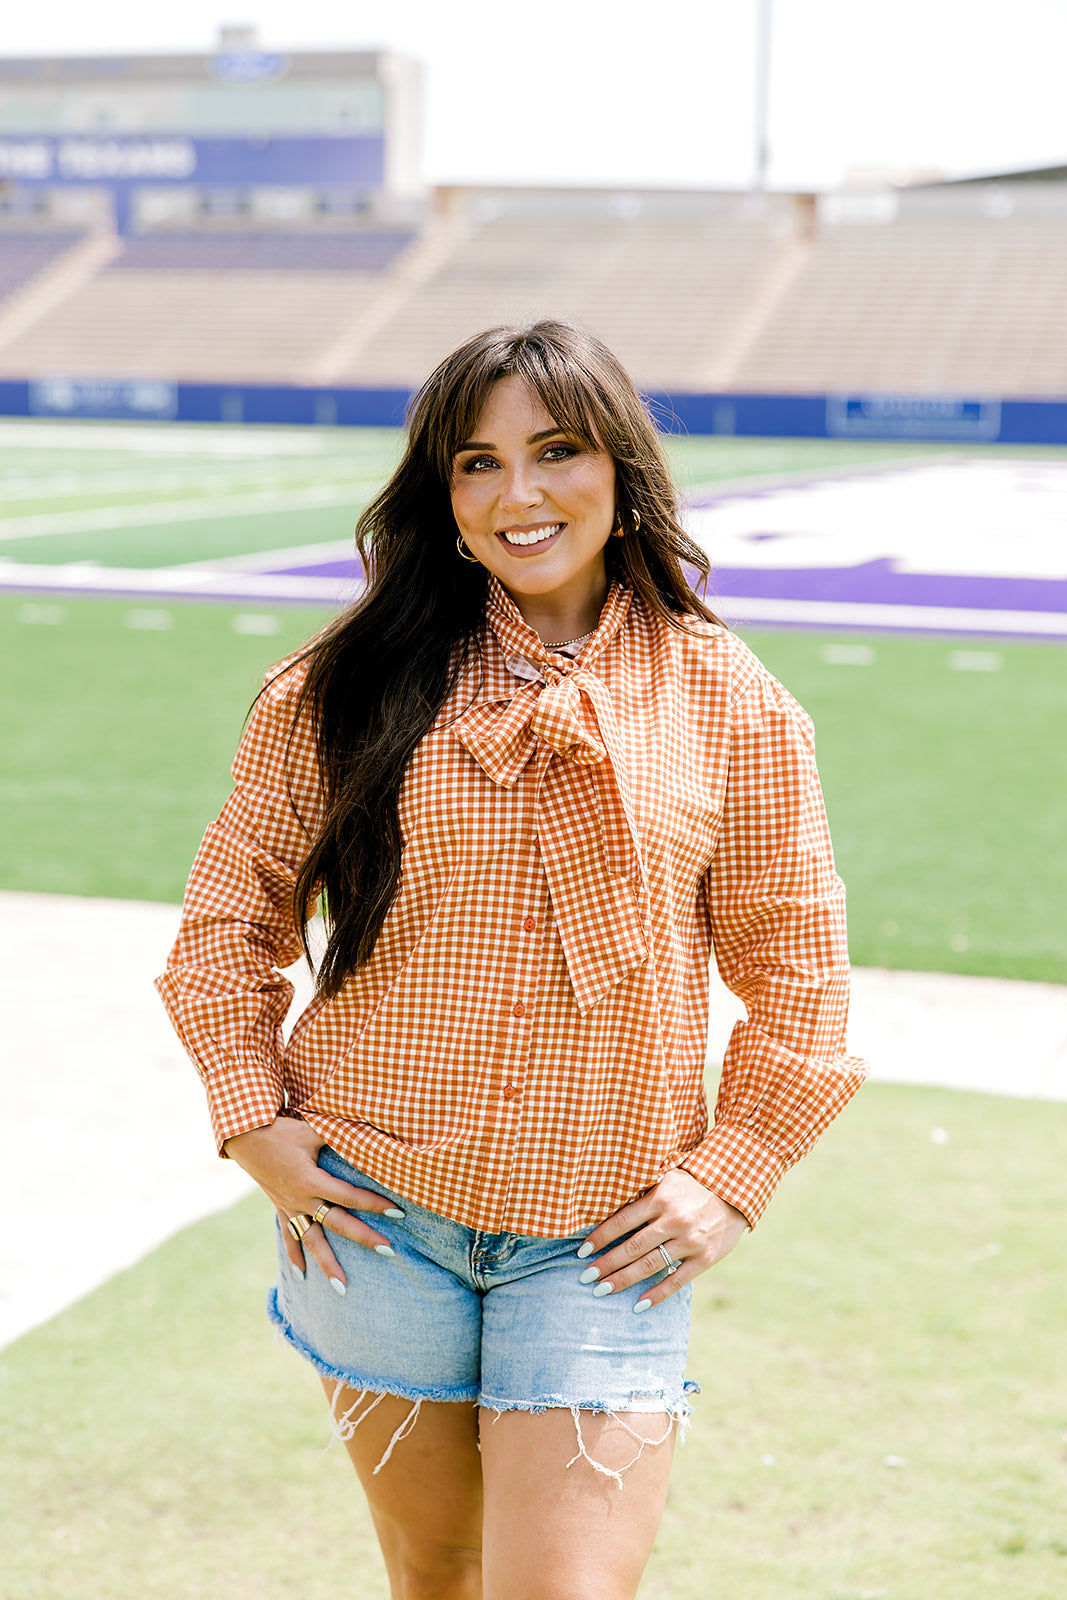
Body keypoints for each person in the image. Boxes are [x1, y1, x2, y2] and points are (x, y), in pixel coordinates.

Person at [157, 319, 866, 1600]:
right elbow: (227, 922)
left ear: (619, 468)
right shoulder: (346, 683)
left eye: (555, 451)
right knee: (437, 1569)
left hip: (598, 1237)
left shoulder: (730, 700)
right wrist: (251, 1118)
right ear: (442, 489)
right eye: (477, 463)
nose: (518, 494)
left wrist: (732, 1172)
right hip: (376, 1219)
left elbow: (804, 981)